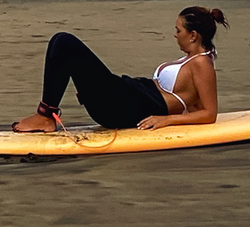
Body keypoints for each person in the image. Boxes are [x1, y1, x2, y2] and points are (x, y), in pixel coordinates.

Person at [12, 7, 228, 133]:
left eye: (178, 29)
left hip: (130, 108)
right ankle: (46, 115)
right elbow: (193, 102)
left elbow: (209, 114)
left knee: (65, 43)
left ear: (193, 35)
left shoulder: (202, 64)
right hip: (127, 97)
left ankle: (46, 116)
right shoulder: (192, 60)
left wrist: (167, 119)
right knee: (64, 45)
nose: (175, 34)